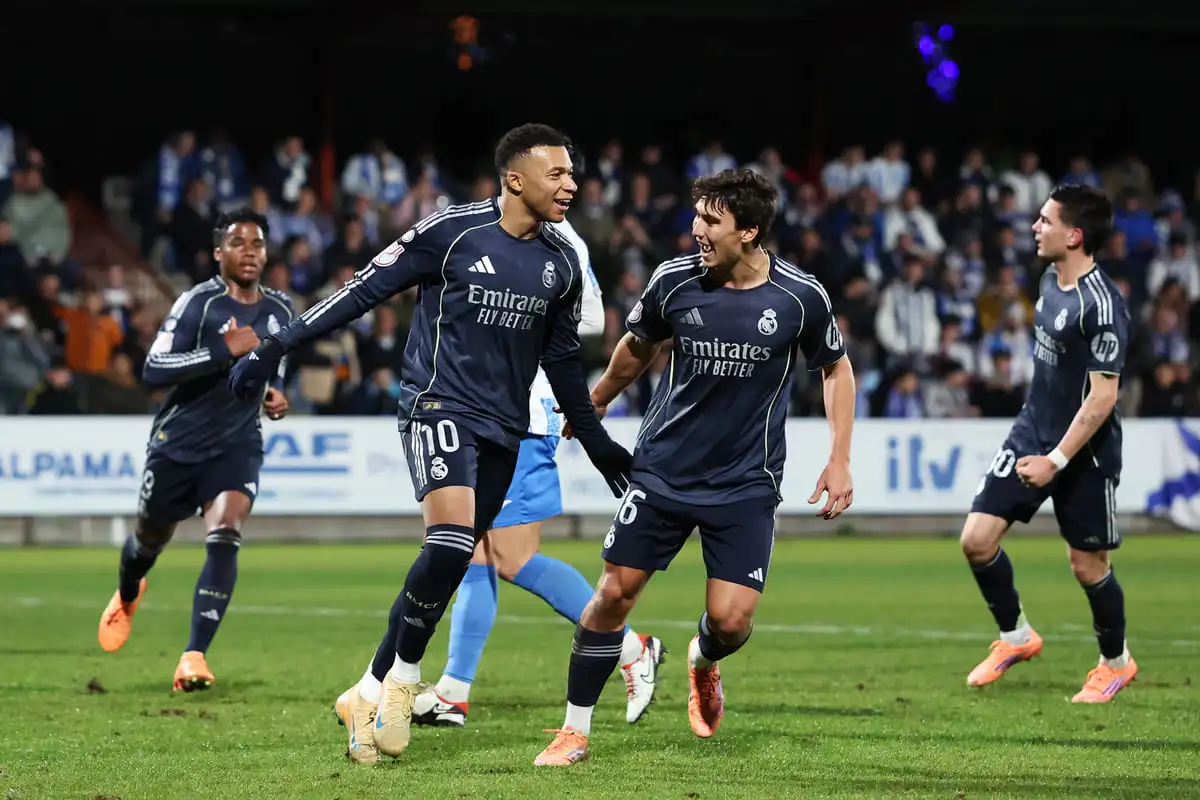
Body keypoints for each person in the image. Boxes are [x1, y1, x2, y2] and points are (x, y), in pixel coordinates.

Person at [227, 123, 632, 765]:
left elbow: (560, 360)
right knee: (448, 541)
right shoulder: (451, 233)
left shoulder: (559, 263)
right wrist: (276, 345)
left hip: (507, 428)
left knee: (449, 566)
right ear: (514, 178)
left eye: (572, 173)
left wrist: (598, 438)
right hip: (435, 405)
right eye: (557, 173)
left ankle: (367, 688)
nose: (571, 184)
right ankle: (404, 682)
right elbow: (362, 292)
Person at [533, 168, 857, 766]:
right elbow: (636, 348)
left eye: (712, 221)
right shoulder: (672, 281)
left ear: (750, 230)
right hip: (662, 473)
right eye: (697, 217)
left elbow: (835, 369)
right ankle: (573, 730)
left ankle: (702, 663)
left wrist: (839, 458)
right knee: (611, 596)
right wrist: (598, 399)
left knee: (731, 622)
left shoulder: (798, 296)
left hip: (745, 483)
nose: (696, 231)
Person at [403, 217, 665, 729]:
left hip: (523, 414)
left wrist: (516, 314)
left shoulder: (559, 239)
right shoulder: (493, 228)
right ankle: (454, 693)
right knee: (472, 554)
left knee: (514, 556)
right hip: (481, 407)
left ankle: (633, 649)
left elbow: (591, 315)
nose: (562, 184)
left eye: (564, 173)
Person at [97, 208, 293, 691]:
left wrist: (272, 390)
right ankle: (127, 591)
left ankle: (193, 656)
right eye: (239, 243)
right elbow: (154, 368)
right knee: (149, 540)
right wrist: (221, 352)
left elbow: (274, 364)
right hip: (179, 443)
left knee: (226, 530)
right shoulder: (197, 303)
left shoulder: (282, 311)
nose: (250, 251)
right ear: (218, 253)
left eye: (258, 243)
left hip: (237, 442)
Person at [960, 184, 1136, 702]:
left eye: (1044, 220)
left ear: (1074, 234)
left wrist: (1057, 460)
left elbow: (1103, 398)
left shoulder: (1102, 306)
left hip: (1084, 452)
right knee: (976, 540)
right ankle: (1016, 636)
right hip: (1031, 429)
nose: (1035, 227)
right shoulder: (1048, 278)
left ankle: (1116, 663)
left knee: (1088, 566)